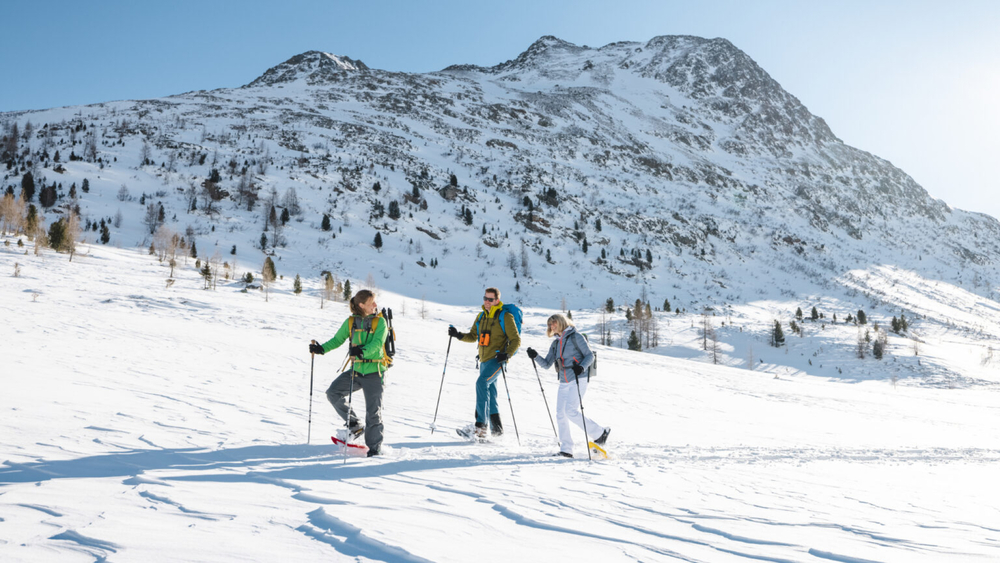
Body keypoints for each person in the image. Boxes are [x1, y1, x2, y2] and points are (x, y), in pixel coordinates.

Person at [309, 289, 389, 457]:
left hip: (375, 373)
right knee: (333, 393)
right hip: (357, 371)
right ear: (361, 305)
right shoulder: (351, 322)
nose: (375, 305)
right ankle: (355, 424)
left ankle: (374, 450)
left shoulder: (380, 323)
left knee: (373, 412)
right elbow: (338, 340)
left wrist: (361, 352)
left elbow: (376, 345)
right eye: (371, 303)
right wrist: (321, 349)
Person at [526, 313, 609, 458]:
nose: (551, 326)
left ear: (561, 322)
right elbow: (546, 364)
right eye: (550, 324)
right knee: (560, 414)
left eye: (554, 323)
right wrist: (535, 356)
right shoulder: (556, 343)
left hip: (578, 378)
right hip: (564, 381)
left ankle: (600, 433)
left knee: (570, 411)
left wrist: (582, 367)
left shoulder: (576, 337)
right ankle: (566, 449)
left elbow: (590, 356)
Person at [448, 287, 520, 439]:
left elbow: (516, 340)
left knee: (481, 384)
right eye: (485, 298)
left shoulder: (505, 316)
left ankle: (480, 428)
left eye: (490, 299)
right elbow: (473, 336)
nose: (487, 302)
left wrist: (507, 354)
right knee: (491, 394)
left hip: (497, 361)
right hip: (484, 361)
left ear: (497, 301)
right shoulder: (481, 317)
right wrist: (458, 335)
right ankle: (497, 431)